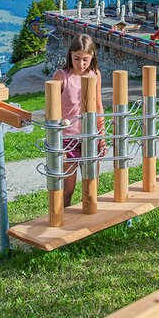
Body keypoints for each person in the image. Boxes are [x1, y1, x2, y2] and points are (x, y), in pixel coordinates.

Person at [53, 34, 105, 207]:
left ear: (92, 58)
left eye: (85, 59)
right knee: (68, 188)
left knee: (91, 187)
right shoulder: (61, 77)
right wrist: (57, 141)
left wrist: (102, 136)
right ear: (70, 55)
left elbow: (98, 106)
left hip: (90, 136)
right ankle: (64, 220)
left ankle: (89, 222)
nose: (81, 64)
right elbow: (52, 112)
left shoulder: (94, 74)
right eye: (76, 58)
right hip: (68, 139)